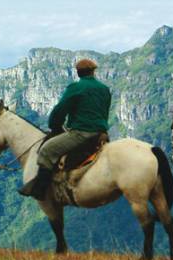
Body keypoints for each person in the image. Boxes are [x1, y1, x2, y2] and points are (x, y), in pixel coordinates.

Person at [19, 58, 112, 200]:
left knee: (46, 150)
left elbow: (60, 110)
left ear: (78, 73)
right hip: (101, 135)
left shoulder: (76, 88)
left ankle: (40, 190)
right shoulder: (105, 89)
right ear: (93, 72)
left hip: (81, 133)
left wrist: (55, 125)